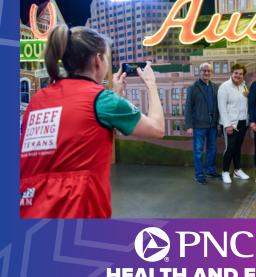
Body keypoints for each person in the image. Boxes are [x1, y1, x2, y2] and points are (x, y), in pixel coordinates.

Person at [20, 25, 165, 218]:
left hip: (29, 211)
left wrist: (116, 96)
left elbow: (82, 131)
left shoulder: (38, 100)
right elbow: (157, 129)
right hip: (78, 213)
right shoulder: (103, 101)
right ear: (98, 60)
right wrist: (152, 85)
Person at [185, 62, 222, 185]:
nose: (206, 73)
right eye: (204, 70)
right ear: (200, 72)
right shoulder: (193, 87)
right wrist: (189, 126)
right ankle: (199, 174)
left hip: (212, 124)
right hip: (198, 125)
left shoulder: (215, 87)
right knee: (198, 150)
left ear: (212, 72)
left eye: (208, 71)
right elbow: (188, 108)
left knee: (212, 148)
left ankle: (210, 171)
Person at [217, 64, 250, 184]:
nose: (238, 75)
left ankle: (237, 170)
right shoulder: (224, 87)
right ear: (231, 73)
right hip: (230, 123)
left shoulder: (243, 86)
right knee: (230, 147)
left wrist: (249, 95)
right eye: (236, 73)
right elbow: (222, 107)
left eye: (240, 73)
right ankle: (225, 172)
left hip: (243, 122)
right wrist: (228, 125)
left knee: (237, 148)